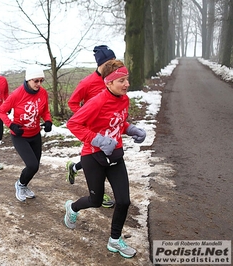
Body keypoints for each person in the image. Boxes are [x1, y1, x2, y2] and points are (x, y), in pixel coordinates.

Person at [63, 60, 146, 258]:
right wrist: (98, 140)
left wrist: (131, 129)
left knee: (124, 201)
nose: (126, 84)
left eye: (127, 79)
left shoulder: (124, 99)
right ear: (108, 83)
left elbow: (118, 122)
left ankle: (115, 241)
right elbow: (73, 124)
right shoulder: (97, 101)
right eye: (121, 80)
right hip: (93, 157)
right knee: (96, 200)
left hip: (115, 155)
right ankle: (72, 207)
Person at [66, 45, 116, 208]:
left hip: (109, 128)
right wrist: (85, 117)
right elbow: (72, 102)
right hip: (92, 130)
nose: (113, 65)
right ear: (101, 64)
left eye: (114, 61)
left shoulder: (114, 80)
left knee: (103, 157)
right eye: (110, 62)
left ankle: (74, 167)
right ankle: (99, 194)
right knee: (97, 159)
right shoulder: (87, 83)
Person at [0, 65, 52, 202]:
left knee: (35, 166)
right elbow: (1, 111)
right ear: (28, 79)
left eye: (41, 81)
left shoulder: (43, 93)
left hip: (35, 134)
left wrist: (48, 121)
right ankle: (20, 185)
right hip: (20, 136)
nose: (39, 84)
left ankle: (23, 184)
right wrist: (11, 125)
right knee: (32, 165)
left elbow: (45, 111)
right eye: (36, 81)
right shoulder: (17, 94)